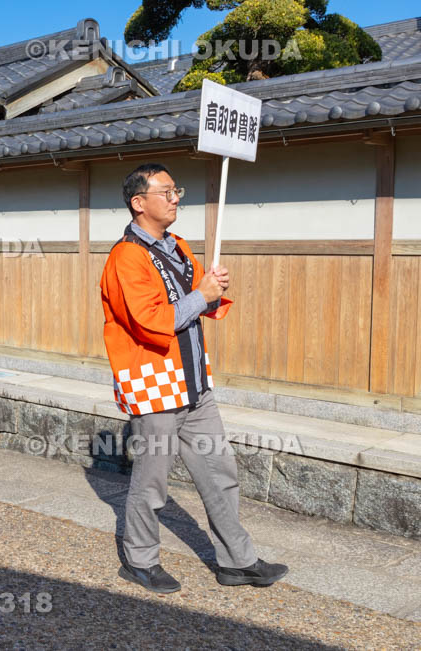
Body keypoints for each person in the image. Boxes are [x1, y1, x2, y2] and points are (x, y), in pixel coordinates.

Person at [100, 163, 288, 594]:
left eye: (176, 190)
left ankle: (237, 562)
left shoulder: (178, 246)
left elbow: (196, 300)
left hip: (194, 383)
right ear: (139, 202)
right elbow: (151, 321)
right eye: (166, 191)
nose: (175, 198)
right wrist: (201, 295)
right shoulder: (126, 256)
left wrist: (212, 290)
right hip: (154, 384)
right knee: (152, 483)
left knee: (219, 472)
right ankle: (140, 560)